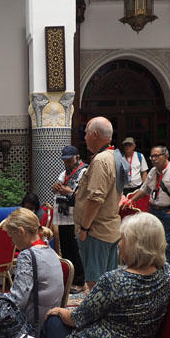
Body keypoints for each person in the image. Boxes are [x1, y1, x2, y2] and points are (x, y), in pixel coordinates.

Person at [42, 212, 170, 338]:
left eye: (123, 239)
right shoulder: (166, 273)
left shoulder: (114, 281)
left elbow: (75, 319)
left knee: (51, 321)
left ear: (135, 245)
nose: (119, 244)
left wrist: (60, 311)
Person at [0, 208, 63, 333]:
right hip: (52, 322)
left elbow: (18, 301)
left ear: (21, 232)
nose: (12, 242)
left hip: (33, 327)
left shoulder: (27, 255)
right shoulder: (50, 251)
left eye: (12, 237)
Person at [73, 117, 121, 290]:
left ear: (94, 134)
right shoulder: (116, 156)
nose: (84, 138)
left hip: (96, 231)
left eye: (85, 133)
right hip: (110, 228)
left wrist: (85, 228)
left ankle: (99, 315)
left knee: (95, 283)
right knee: (109, 281)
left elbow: (95, 199)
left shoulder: (101, 160)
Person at [127, 145, 170, 268]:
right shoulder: (153, 172)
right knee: (153, 241)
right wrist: (131, 200)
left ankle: (168, 271)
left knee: (169, 244)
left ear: (166, 156)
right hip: (153, 210)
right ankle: (154, 269)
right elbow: (144, 190)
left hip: (168, 211)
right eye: (152, 156)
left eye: (156, 156)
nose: (153, 159)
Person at [51, 145, 86, 289]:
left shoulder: (84, 172)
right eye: (64, 160)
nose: (67, 163)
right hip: (64, 214)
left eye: (69, 160)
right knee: (65, 248)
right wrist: (56, 188)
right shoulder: (64, 173)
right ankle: (69, 277)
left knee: (75, 248)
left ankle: (79, 280)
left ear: (77, 157)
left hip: (76, 216)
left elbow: (83, 195)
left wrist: (69, 192)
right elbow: (58, 186)